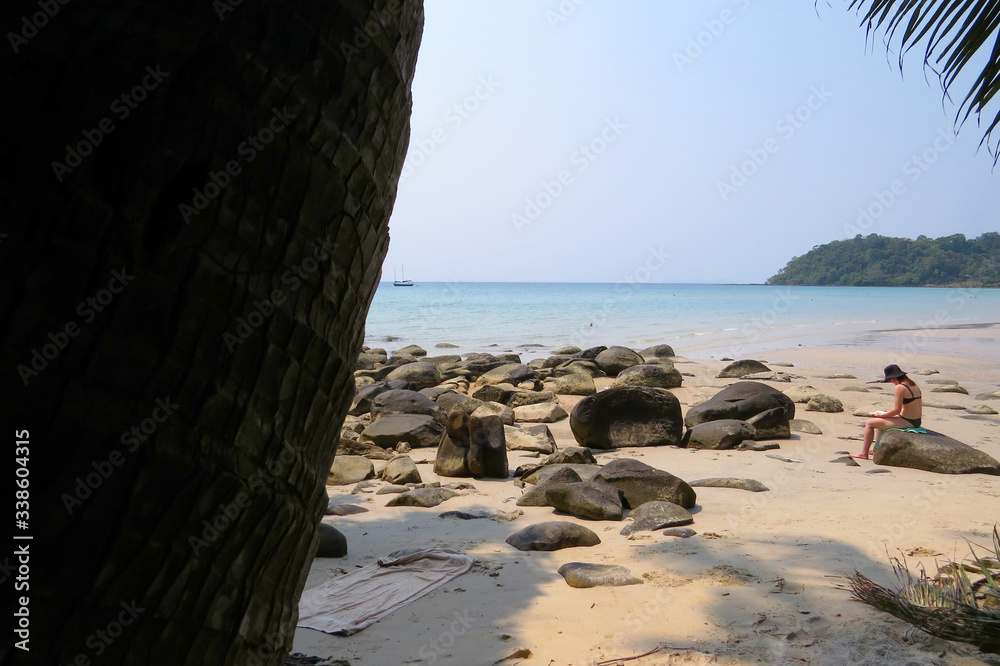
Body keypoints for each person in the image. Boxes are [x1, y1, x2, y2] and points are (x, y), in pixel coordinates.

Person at [852, 364, 922, 459]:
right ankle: (876, 449)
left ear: (893, 378)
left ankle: (864, 453)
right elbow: (909, 406)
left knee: (870, 423)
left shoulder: (900, 387)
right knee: (881, 422)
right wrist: (887, 413)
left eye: (889, 380)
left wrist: (883, 415)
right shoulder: (912, 384)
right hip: (915, 420)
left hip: (908, 421)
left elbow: (896, 410)